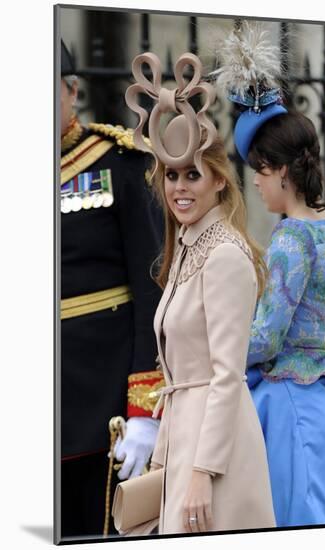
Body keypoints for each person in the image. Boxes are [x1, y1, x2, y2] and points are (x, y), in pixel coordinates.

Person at [215, 21, 325, 527]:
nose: (253, 181)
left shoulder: (291, 238)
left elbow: (265, 337)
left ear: (282, 170)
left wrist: (215, 345)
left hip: (288, 411)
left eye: (258, 168)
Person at [125, 51, 276, 534]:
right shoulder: (189, 248)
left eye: (193, 174)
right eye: (172, 175)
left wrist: (201, 473)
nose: (180, 187)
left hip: (217, 454)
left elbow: (227, 377)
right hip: (184, 441)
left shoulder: (225, 254)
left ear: (217, 181)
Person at [59, 40, 165, 540]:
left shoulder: (117, 164)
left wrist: (143, 411)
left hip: (101, 410)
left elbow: (152, 289)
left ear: (71, 92)